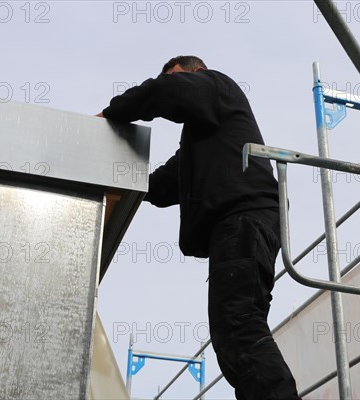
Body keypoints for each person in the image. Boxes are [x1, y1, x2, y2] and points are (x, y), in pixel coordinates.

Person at [98, 56, 300, 400]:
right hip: (244, 223)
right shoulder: (205, 138)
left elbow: (166, 91)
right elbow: (164, 184)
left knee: (238, 324)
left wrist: (111, 113)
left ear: (197, 73)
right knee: (231, 330)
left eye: (176, 77)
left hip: (243, 219)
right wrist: (120, 183)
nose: (172, 84)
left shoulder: (217, 85)